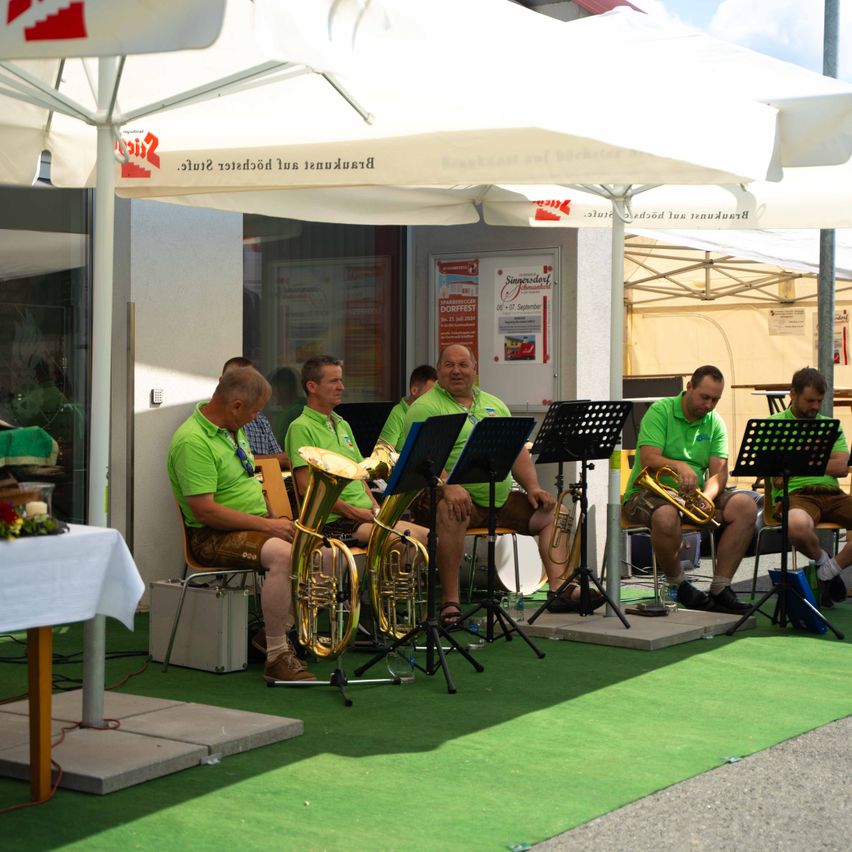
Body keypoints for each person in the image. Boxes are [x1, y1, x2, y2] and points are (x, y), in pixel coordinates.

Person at [401, 343, 601, 627]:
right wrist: (447, 485)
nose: (456, 371)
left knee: (554, 513)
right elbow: (421, 457)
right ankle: (450, 603)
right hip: (445, 498)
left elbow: (516, 450)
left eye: (463, 364)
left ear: (474, 369)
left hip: (498, 498)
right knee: (451, 509)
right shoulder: (424, 407)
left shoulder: (494, 403)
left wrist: (533, 487)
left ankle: (559, 589)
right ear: (439, 370)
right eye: (449, 365)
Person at [167, 366, 314, 682]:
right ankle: (276, 656)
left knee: (325, 551)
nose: (256, 418)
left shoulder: (233, 427)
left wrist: (275, 519)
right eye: (255, 411)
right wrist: (270, 527)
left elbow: (250, 482)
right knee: (284, 556)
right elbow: (206, 512)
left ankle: (271, 633)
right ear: (236, 406)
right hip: (211, 536)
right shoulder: (192, 441)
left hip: (253, 526)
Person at [622, 365, 756, 614]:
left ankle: (721, 587)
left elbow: (718, 472)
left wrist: (707, 497)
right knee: (665, 515)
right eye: (704, 397)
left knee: (746, 506)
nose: (709, 405)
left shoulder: (715, 422)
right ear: (689, 387)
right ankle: (678, 583)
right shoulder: (661, 411)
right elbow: (649, 457)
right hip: (648, 491)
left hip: (691, 494)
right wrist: (678, 466)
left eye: (715, 399)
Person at [284, 355, 429, 549]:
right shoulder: (300, 427)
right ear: (312, 386)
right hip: (332, 521)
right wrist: (354, 512)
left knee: (430, 538)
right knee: (402, 542)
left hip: (363, 515)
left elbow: (360, 475)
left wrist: (376, 508)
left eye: (341, 380)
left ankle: (384, 580)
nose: (341, 387)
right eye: (334, 381)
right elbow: (305, 488)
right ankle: (377, 580)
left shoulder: (342, 424)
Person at [769, 367, 851, 606]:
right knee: (796, 526)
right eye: (810, 401)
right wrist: (821, 462)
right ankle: (824, 561)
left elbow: (842, 467)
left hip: (833, 494)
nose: (815, 407)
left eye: (819, 401)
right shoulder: (772, 425)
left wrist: (798, 464)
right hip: (796, 495)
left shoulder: (830, 426)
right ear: (792, 394)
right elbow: (776, 479)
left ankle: (828, 570)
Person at [222, 357, 290, 470]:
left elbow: (283, 459)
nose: (245, 389)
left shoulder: (260, 420)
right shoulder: (217, 421)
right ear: (221, 383)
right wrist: (273, 460)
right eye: (236, 383)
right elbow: (229, 463)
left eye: (250, 383)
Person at [378, 364, 438, 449]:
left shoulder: (433, 412)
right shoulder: (397, 413)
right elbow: (385, 453)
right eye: (430, 394)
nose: (434, 398)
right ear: (414, 390)